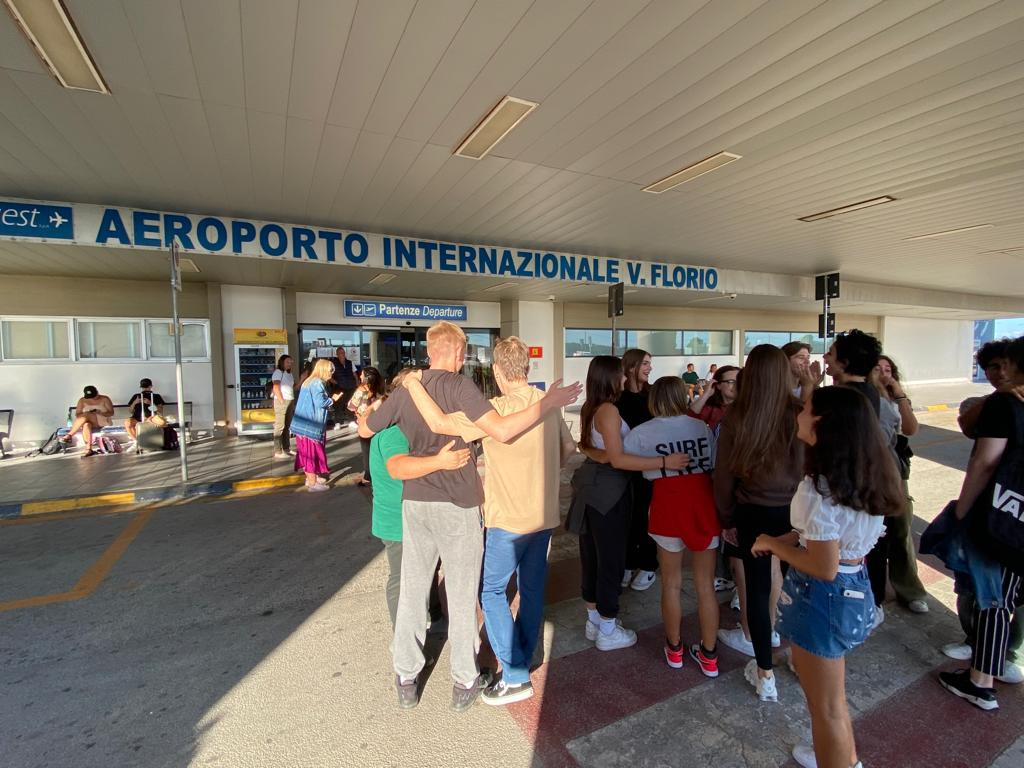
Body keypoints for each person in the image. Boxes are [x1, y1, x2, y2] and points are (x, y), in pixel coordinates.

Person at [359, 321, 581, 712]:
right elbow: (543, 442)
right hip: (485, 507)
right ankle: (472, 678)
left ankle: (407, 677)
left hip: (428, 503)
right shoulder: (466, 389)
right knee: (481, 594)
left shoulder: (414, 392)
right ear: (460, 353)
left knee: (420, 589)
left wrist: (401, 390)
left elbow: (373, 428)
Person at [754, 386, 903, 768]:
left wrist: (771, 543)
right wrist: (789, 540)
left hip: (822, 597)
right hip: (853, 589)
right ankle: (835, 755)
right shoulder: (866, 476)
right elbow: (833, 541)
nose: (798, 414)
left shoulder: (817, 491)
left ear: (822, 423)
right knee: (831, 701)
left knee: (827, 709)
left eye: (805, 408)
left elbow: (823, 566)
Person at [568, 356, 689, 653]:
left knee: (592, 557)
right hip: (610, 491)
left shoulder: (591, 406)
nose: (625, 378)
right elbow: (619, 459)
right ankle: (608, 628)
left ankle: (595, 621)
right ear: (610, 377)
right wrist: (665, 462)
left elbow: (588, 446)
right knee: (611, 559)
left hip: (592, 488)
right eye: (621, 374)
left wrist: (602, 455)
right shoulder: (609, 410)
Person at [714, 344, 804, 702]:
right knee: (796, 588)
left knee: (756, 590)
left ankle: (765, 673)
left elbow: (724, 476)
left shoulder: (737, 415)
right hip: (797, 512)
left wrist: (726, 517)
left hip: (753, 512)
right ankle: (799, 657)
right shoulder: (800, 411)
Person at [940, 336, 1024, 707]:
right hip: (1018, 517)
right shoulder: (1002, 401)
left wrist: (962, 510)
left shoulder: (1007, 404)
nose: (1000, 372)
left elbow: (985, 461)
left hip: (1000, 513)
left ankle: (980, 681)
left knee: (992, 597)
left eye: (1007, 364)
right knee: (1004, 595)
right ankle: (992, 664)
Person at [622, 377, 720, 675]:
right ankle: (709, 655)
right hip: (702, 504)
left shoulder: (642, 433)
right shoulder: (701, 428)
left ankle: (675, 649)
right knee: (705, 586)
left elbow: (622, 459)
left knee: (671, 583)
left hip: (666, 504)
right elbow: (713, 464)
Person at [370, 369, 471, 630]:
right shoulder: (394, 431)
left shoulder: (402, 424)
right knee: (403, 579)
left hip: (411, 515)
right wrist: (440, 461)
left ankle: (433, 613)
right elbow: (397, 468)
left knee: (426, 568)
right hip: (399, 521)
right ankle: (402, 637)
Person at [869, 355, 929, 614]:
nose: (884, 373)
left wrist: (900, 395)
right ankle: (874, 593)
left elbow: (911, 428)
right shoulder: (866, 398)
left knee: (901, 530)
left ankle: (910, 590)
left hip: (895, 474)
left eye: (888, 369)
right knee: (873, 535)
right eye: (878, 369)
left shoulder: (896, 399)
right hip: (870, 474)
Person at [617, 348, 659, 592]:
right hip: (626, 466)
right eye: (645, 363)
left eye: (649, 363)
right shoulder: (618, 397)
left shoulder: (652, 395)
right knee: (630, 516)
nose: (649, 368)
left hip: (652, 467)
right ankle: (629, 561)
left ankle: (648, 564)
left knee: (647, 515)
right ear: (631, 366)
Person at [290, 359, 344, 491]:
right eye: (330, 370)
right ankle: (313, 484)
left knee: (306, 453)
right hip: (311, 425)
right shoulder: (318, 383)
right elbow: (320, 402)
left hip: (303, 424)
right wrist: (332, 400)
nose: (332, 373)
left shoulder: (309, 381)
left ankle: (311, 478)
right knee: (311, 454)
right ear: (324, 370)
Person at [348, 366, 385, 487]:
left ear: (367, 377)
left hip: (365, 422)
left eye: (362, 374)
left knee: (367, 451)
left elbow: (351, 406)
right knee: (377, 449)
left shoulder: (361, 389)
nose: (360, 376)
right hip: (379, 421)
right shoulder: (380, 388)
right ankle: (379, 473)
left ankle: (368, 477)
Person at [63, 385, 114, 457]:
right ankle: (88, 449)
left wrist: (99, 412)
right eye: (90, 397)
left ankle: (69, 435)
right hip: (87, 421)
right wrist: (88, 413)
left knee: (86, 415)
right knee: (86, 425)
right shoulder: (82, 400)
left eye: (94, 396)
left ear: (97, 392)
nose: (92, 398)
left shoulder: (105, 399)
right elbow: (78, 414)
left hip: (102, 420)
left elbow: (111, 413)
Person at [689, 365, 740, 436]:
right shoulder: (712, 409)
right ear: (718, 385)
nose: (737, 385)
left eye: (740, 381)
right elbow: (690, 421)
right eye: (731, 381)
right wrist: (706, 394)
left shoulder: (749, 407)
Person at [271, 355, 295, 459]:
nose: (289, 364)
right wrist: (281, 401)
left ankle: (286, 448)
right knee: (280, 426)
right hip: (282, 401)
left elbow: (293, 387)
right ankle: (277, 451)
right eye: (287, 362)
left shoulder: (289, 374)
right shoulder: (278, 372)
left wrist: (302, 379)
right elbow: (276, 387)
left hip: (290, 400)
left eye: (291, 362)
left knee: (287, 426)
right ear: (282, 362)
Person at [331, 346, 358, 428]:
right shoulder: (333, 363)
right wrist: (335, 382)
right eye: (340, 353)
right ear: (337, 354)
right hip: (339, 387)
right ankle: (338, 422)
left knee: (350, 404)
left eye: (343, 353)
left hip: (350, 386)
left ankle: (351, 421)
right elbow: (329, 375)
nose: (342, 354)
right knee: (338, 404)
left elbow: (354, 374)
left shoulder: (350, 362)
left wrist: (357, 383)